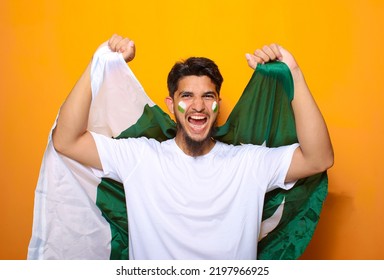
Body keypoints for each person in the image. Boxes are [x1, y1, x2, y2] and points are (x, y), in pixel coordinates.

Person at [52, 34, 334, 259]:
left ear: (218, 105)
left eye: (207, 96)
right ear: (171, 105)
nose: (198, 106)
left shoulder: (248, 163)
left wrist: (293, 72)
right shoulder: (140, 157)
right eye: (187, 95)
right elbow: (66, 141)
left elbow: (318, 159)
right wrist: (98, 62)